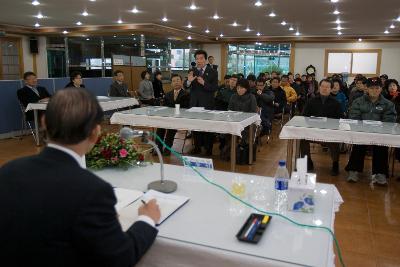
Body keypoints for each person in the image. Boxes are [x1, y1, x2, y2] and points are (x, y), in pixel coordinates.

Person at [0, 88, 160, 266]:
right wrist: (147, 219)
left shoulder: (8, 171)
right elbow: (121, 257)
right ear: (95, 132)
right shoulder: (93, 191)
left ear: (44, 122)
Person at [345, 78, 397, 185]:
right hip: (362, 132)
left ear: (381, 89)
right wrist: (364, 129)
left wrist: (377, 130)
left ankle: (380, 173)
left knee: (381, 145)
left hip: (379, 134)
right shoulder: (358, 102)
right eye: (371, 88)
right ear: (366, 89)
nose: (374, 90)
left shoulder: (388, 104)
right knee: (359, 143)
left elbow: (389, 121)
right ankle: (353, 170)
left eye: (377, 88)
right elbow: (354, 117)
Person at [300, 79, 342, 176]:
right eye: (322, 86)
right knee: (302, 138)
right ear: (319, 87)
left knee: (335, 141)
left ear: (331, 89)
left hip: (329, 132)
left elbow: (340, 119)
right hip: (313, 130)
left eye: (327, 87)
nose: (324, 89)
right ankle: (308, 161)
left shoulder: (336, 103)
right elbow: (304, 116)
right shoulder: (311, 101)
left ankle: (335, 164)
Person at [186, 49, 218, 155]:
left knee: (208, 127)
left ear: (205, 59)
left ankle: (208, 149)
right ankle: (197, 147)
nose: (199, 61)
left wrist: (204, 83)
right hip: (195, 104)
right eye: (197, 59)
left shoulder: (213, 71)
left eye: (201, 58)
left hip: (207, 104)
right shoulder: (193, 71)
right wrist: (188, 81)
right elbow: (186, 87)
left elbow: (214, 88)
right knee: (196, 127)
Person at [156, 74, 190, 156]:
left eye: (178, 80)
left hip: (179, 118)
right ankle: (158, 148)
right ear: (171, 83)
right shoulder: (168, 94)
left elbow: (186, 108)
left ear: (181, 82)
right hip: (168, 117)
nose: (176, 82)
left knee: (171, 128)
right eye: (174, 81)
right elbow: (164, 107)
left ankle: (167, 148)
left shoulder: (186, 94)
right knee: (160, 127)